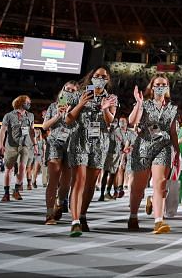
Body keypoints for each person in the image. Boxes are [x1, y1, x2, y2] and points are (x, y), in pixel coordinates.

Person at [65, 67, 118, 237]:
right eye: (97, 76)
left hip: (100, 142)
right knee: (79, 181)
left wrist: (105, 108)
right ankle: (74, 222)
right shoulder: (79, 94)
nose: (100, 78)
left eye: (104, 77)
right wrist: (80, 103)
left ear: (107, 80)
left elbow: (110, 121)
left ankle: (82, 215)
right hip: (80, 140)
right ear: (91, 77)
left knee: (90, 184)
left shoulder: (111, 98)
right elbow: (67, 119)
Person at [127, 74, 180, 234]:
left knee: (160, 183)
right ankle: (133, 215)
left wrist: (177, 150)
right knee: (138, 186)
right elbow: (132, 121)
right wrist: (139, 103)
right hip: (143, 146)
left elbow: (172, 131)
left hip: (163, 147)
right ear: (152, 87)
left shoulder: (173, 108)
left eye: (163, 84)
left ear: (168, 87)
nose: (160, 87)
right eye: (157, 84)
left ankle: (158, 221)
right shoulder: (145, 103)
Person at [42, 82, 77, 224]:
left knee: (66, 182)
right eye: (67, 89)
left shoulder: (78, 108)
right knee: (53, 179)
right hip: (55, 144)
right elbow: (45, 126)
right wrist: (57, 115)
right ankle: (49, 214)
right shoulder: (53, 106)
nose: (69, 91)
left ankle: (60, 201)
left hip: (71, 145)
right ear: (62, 90)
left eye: (73, 90)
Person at [0, 95, 38, 203]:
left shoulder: (31, 115)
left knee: (22, 168)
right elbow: (3, 131)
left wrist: (35, 145)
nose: (29, 104)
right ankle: (6, 193)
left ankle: (16, 190)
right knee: (9, 169)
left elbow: (31, 131)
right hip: (11, 145)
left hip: (25, 145)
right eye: (27, 102)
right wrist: (0, 145)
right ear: (20, 102)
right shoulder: (9, 115)